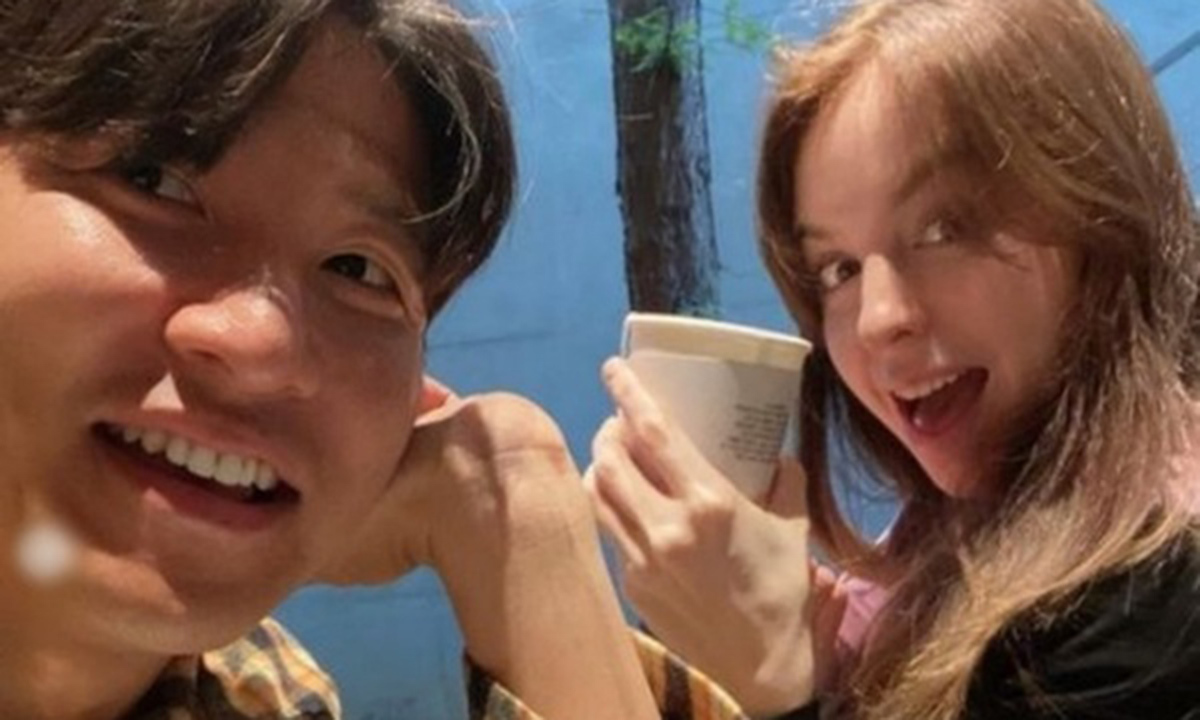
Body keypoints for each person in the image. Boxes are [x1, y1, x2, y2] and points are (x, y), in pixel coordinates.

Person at [0, 1, 710, 718]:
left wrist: (511, 491)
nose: (259, 342)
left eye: (358, 269)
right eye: (152, 180)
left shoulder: (270, 697)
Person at [587, 0, 1200, 717]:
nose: (878, 320)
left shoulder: (1154, 601)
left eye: (943, 228)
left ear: (1100, 211)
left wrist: (770, 679)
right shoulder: (936, 551)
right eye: (838, 269)